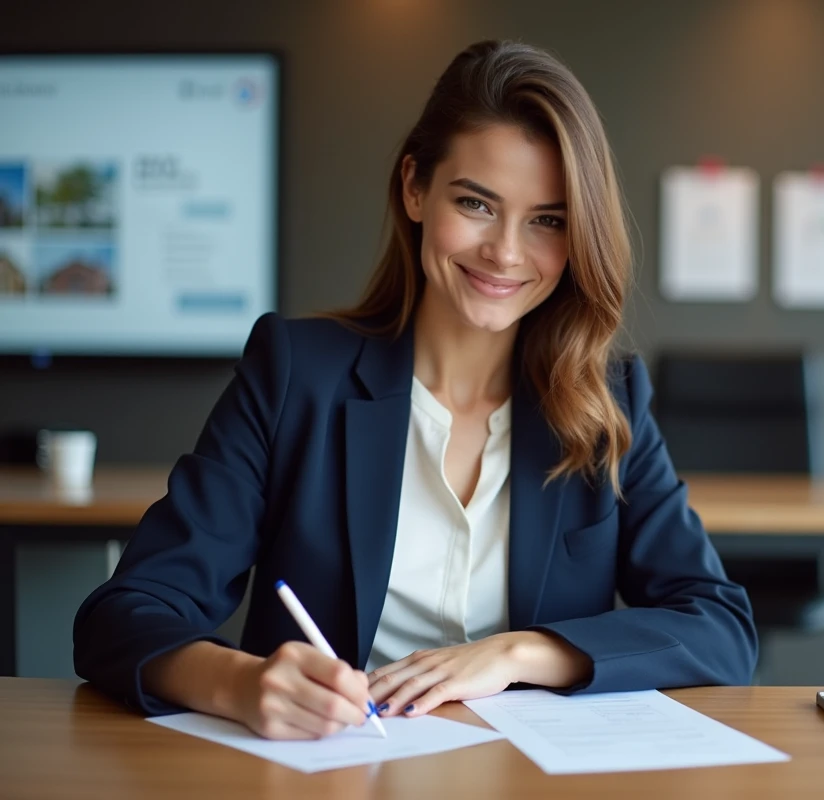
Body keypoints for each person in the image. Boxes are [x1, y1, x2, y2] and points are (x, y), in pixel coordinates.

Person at [74, 40, 756, 741]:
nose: (507, 253)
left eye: (547, 220)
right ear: (414, 189)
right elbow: (124, 614)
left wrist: (521, 653)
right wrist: (239, 683)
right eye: (476, 204)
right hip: (329, 777)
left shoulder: (606, 400)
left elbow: (720, 629)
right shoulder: (295, 373)